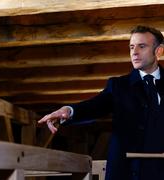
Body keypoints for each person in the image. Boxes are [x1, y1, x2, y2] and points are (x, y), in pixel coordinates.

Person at [38, 25, 164, 180]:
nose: (134, 52)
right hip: (125, 173)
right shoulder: (118, 86)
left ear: (159, 51)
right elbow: (95, 106)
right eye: (131, 47)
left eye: (142, 46)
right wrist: (69, 111)